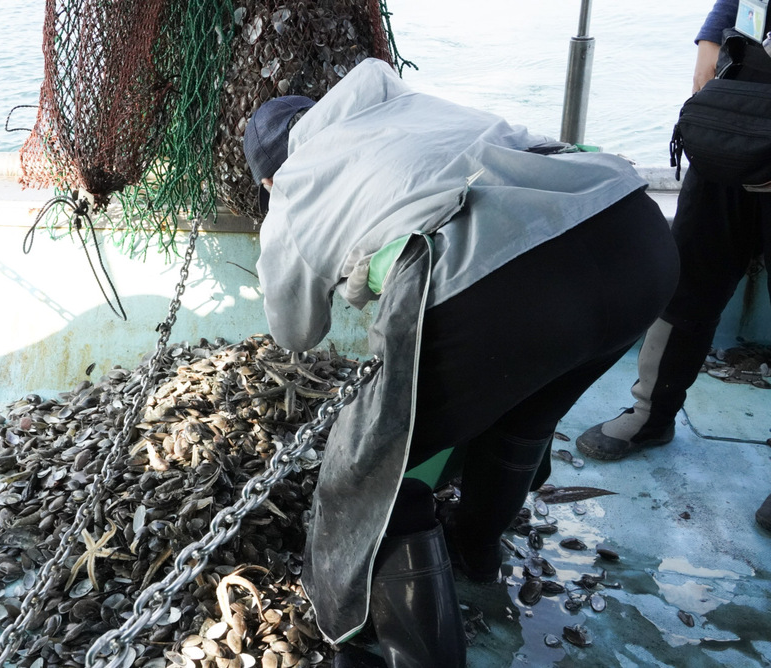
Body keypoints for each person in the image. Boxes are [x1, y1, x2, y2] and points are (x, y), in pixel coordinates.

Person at [243, 58, 679, 668]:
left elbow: (295, 331)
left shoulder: (293, 184)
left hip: (506, 283)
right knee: (524, 409)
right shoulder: (401, 106)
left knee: (375, 477)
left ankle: (412, 654)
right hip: (635, 238)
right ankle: (475, 551)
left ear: (268, 177)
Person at [574, 0, 771, 534]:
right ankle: (650, 415)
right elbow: (713, 49)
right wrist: (724, 133)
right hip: (733, 149)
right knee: (683, 287)